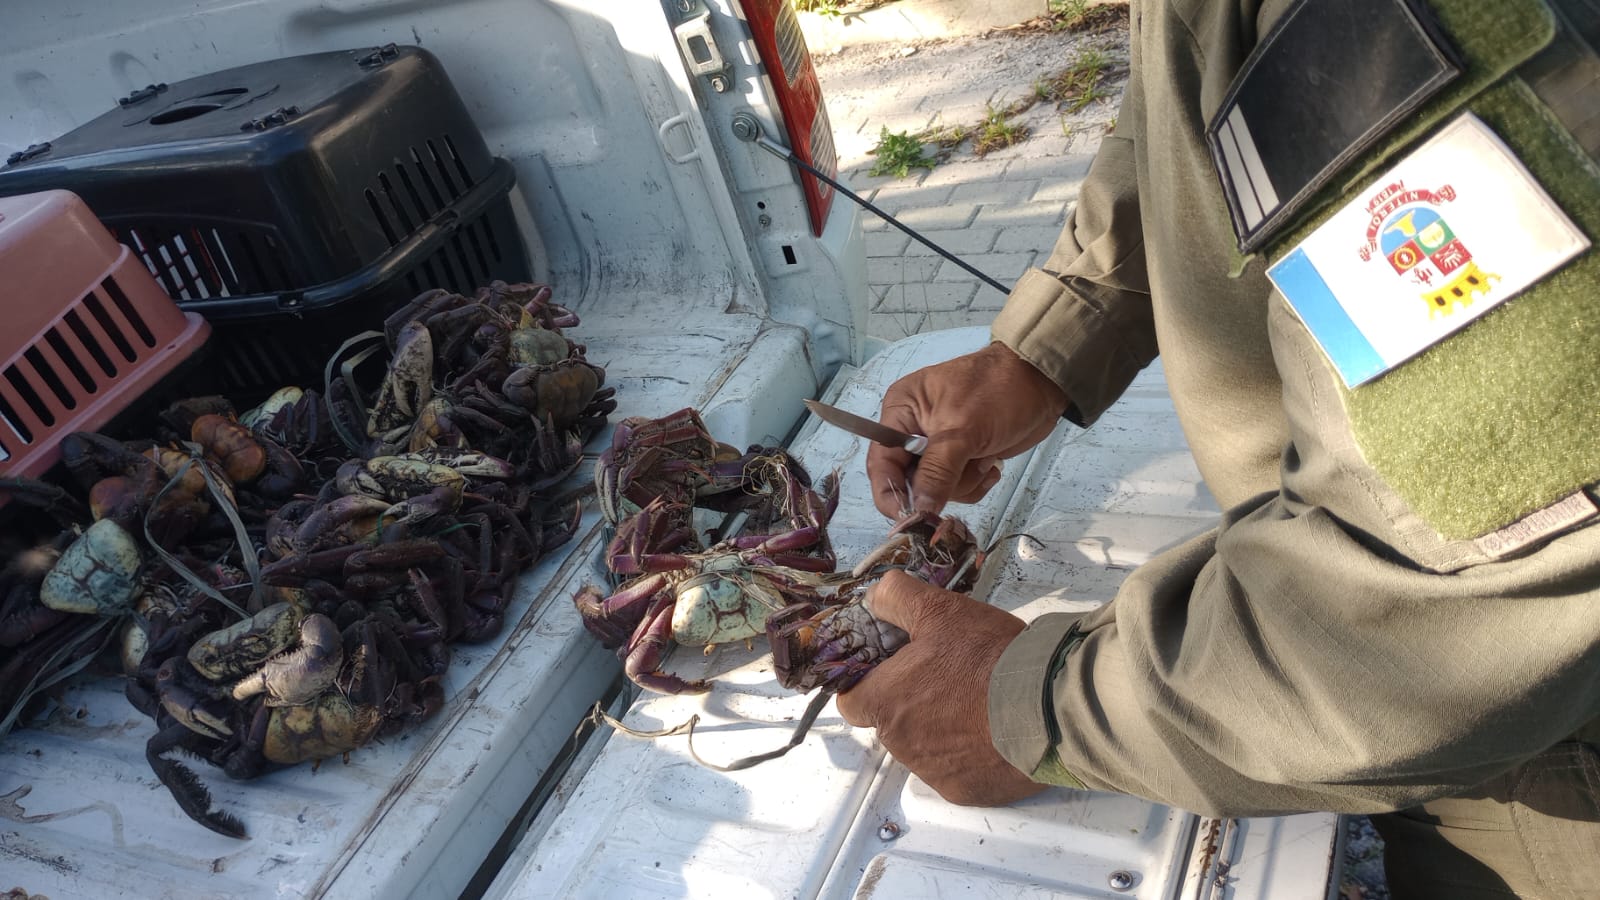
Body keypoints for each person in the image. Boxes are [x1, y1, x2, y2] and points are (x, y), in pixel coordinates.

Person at [833, 0, 1600, 897]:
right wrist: (1052, 341)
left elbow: (1439, 604)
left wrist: (1028, 707)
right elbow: (1209, 88)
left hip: (1546, 769)